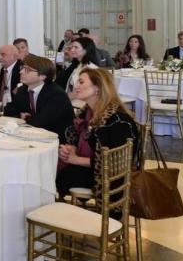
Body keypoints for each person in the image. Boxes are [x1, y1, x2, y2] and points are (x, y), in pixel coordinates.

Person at [55, 68, 140, 197]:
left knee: (58, 175)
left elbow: (114, 163)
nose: (76, 86)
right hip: (91, 169)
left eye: (81, 82)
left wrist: (76, 159)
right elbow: (82, 143)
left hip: (106, 177)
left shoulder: (116, 121)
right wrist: (71, 149)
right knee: (50, 166)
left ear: (97, 88)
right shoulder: (86, 114)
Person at [4, 55, 74, 142]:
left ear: (42, 76)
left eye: (27, 70)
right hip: (32, 136)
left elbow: (41, 123)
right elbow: (9, 111)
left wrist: (26, 118)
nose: (21, 72)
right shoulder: (23, 90)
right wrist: (21, 116)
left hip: (57, 141)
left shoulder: (56, 94)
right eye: (22, 68)